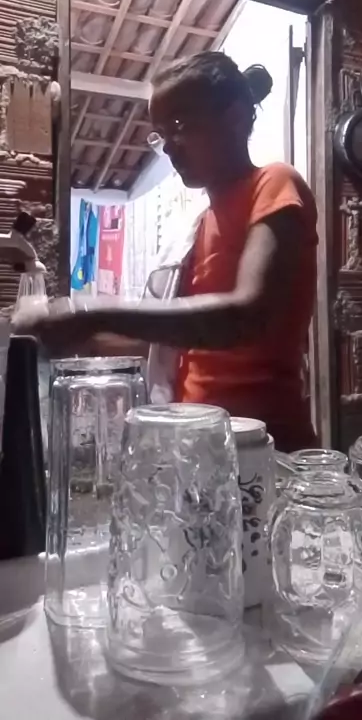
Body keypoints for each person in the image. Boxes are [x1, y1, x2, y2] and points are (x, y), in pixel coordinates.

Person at [23, 52, 318, 452]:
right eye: (161, 134)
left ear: (235, 117)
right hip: (199, 444)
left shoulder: (274, 184)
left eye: (179, 126)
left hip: (264, 448)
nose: (169, 149)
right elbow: (174, 345)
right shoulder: (197, 226)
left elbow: (247, 316)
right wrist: (81, 337)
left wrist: (91, 313)